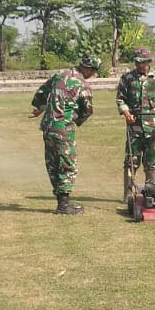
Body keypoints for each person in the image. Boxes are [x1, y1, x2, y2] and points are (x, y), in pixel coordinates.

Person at [30, 53, 101, 215]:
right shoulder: (83, 85)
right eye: (94, 71)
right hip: (63, 128)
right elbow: (88, 111)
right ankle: (63, 205)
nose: (93, 75)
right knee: (68, 165)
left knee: (53, 163)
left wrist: (40, 108)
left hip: (48, 127)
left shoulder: (59, 75)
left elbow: (42, 91)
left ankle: (62, 201)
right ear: (89, 69)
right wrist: (76, 118)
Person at [115, 47, 155, 192]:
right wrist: (126, 112)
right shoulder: (127, 78)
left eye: (142, 62)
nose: (138, 65)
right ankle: (128, 194)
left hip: (154, 127)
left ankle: (151, 192)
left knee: (151, 162)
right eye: (137, 62)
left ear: (149, 62)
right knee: (131, 162)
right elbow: (120, 99)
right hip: (135, 126)